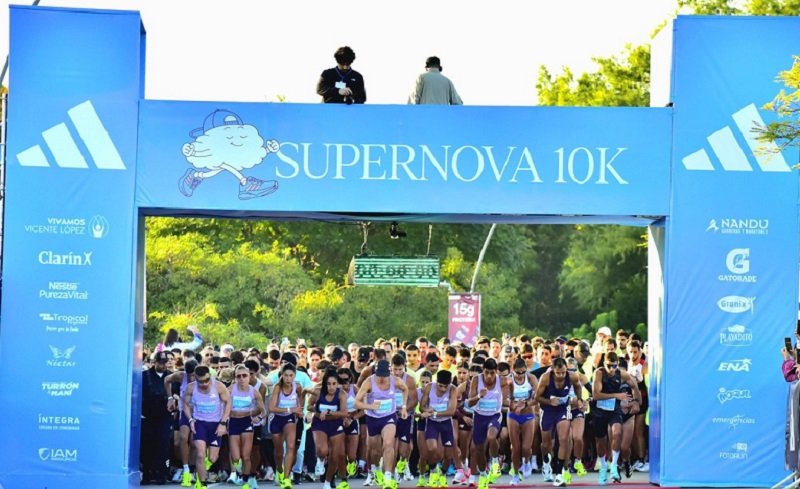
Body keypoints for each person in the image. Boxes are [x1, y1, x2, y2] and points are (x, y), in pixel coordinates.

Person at [355, 359, 409, 489]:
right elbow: (357, 402)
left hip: (388, 416)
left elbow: (405, 389)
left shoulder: (395, 380)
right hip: (373, 418)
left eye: (385, 375)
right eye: (379, 375)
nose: (382, 378)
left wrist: (404, 407)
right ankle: (377, 468)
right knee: (375, 451)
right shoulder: (369, 382)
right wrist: (370, 406)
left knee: (389, 444)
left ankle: (388, 477)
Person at [592, 352, 641, 486]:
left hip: (614, 410)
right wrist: (616, 395)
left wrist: (636, 402)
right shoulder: (599, 373)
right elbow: (596, 395)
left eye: (614, 366)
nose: (611, 369)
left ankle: (614, 465)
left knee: (617, 432)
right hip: (599, 411)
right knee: (600, 442)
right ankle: (603, 467)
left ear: (617, 365)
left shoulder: (622, 374)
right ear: (604, 364)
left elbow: (634, 386)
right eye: (609, 366)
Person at [535, 357, 583, 487]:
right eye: (558, 373)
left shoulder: (572, 376)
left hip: (562, 409)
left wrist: (579, 399)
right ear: (552, 370)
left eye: (563, 372)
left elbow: (578, 387)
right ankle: (546, 461)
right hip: (547, 410)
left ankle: (559, 474)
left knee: (564, 439)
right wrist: (549, 401)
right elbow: (537, 397)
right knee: (546, 444)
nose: (561, 375)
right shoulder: (545, 378)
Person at [183, 365, 232, 489]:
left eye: (207, 380)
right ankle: (202, 483)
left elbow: (228, 403)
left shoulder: (219, 386)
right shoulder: (191, 388)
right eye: (201, 381)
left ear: (210, 376)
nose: (204, 384)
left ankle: (202, 468)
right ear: (195, 378)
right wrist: (190, 420)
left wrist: (223, 423)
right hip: (200, 423)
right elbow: (185, 404)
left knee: (213, 458)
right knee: (200, 454)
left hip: (215, 424)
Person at [466, 358, 508, 488]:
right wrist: (479, 396)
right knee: (478, 450)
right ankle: (483, 475)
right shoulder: (476, 380)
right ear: (483, 371)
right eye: (486, 372)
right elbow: (470, 403)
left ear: (496, 372)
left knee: (491, 436)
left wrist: (514, 402)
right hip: (479, 417)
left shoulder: (502, 381)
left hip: (494, 415)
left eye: (492, 373)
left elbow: (509, 390)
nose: (489, 376)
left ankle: (495, 461)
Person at [307, 369, 350, 489]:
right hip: (320, 424)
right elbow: (309, 406)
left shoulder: (341, 394)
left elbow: (344, 412)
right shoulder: (317, 391)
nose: (331, 387)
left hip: (336, 424)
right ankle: (320, 459)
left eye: (334, 384)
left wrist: (330, 412)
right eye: (329, 384)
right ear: (324, 383)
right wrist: (317, 412)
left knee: (334, 456)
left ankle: (327, 482)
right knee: (322, 450)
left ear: (337, 383)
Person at [420, 370, 464, 486]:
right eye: (440, 386)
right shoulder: (430, 387)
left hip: (446, 424)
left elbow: (451, 411)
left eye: (446, 386)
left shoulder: (452, 389)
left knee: (448, 456)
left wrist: (433, 413)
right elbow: (421, 406)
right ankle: (433, 471)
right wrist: (426, 410)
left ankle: (443, 473)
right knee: (431, 448)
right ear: (436, 382)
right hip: (432, 423)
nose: (443, 389)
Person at [228, 364, 266, 489]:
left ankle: (245, 481)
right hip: (233, 422)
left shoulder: (254, 391)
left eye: (244, 375)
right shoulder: (230, 390)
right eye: (238, 376)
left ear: (249, 376)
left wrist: (258, 418)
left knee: (246, 456)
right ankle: (239, 471)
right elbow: (223, 406)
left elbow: (263, 411)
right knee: (236, 457)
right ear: (235, 378)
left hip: (247, 423)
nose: (242, 378)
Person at [269, 363, 306, 489]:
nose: (288, 378)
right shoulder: (277, 388)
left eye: (291, 375)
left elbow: (301, 398)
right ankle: (279, 470)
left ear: (294, 376)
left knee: (291, 447)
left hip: (290, 419)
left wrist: (299, 410)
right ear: (282, 375)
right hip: (276, 419)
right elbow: (272, 407)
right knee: (279, 451)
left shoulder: (297, 387)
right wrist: (291, 409)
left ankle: (286, 478)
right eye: (286, 375)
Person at [141, 351, 175, 485]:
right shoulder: (145, 376)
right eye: (160, 363)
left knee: (163, 444)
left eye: (165, 362)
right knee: (147, 445)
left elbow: (176, 392)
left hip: (164, 416)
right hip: (148, 416)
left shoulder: (171, 376)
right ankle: (147, 473)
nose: (163, 365)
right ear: (154, 362)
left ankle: (162, 473)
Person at [507, 358, 538, 485]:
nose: (520, 375)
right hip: (513, 415)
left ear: (526, 369)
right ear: (512, 370)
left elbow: (538, 397)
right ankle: (515, 474)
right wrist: (513, 405)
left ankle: (526, 462)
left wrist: (526, 404)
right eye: (518, 373)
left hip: (528, 414)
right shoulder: (509, 380)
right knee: (515, 448)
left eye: (523, 372)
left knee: (526, 447)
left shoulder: (531, 378)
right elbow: (503, 399)